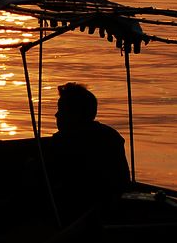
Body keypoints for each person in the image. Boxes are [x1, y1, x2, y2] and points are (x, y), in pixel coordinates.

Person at [44, 82, 130, 222]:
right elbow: (123, 182)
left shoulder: (63, 142)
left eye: (61, 110)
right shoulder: (111, 136)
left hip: (78, 212)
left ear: (75, 114)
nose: (56, 114)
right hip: (108, 209)